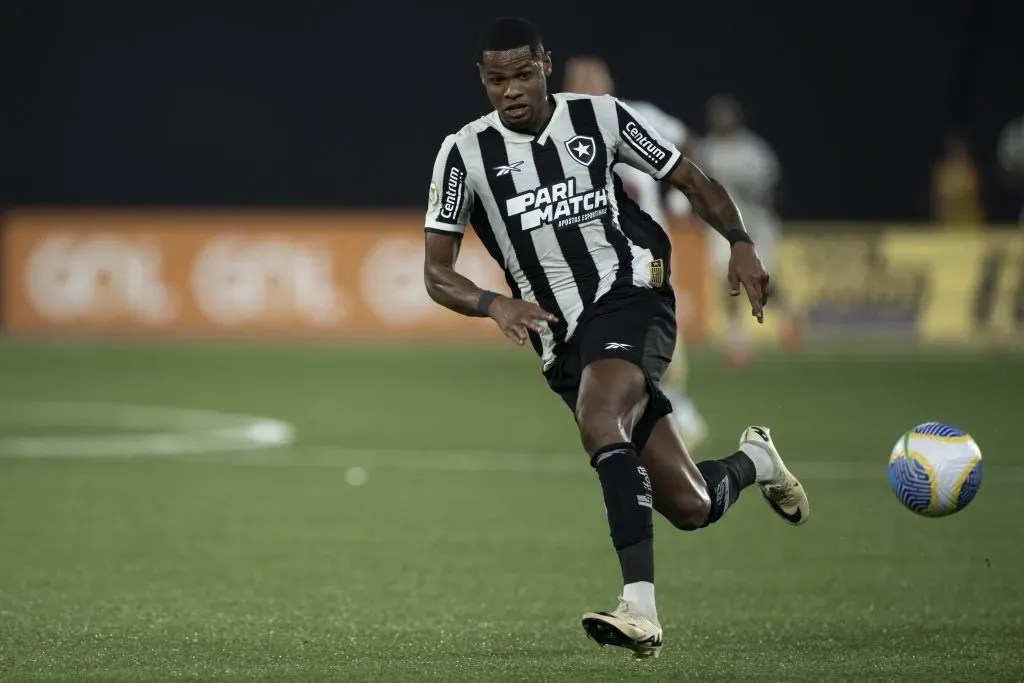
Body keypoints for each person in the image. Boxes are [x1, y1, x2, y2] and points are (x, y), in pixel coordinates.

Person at [422, 17, 809, 659]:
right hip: (561, 337)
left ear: (546, 65)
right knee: (690, 505)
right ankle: (759, 462)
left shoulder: (598, 118)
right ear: (482, 81)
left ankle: (640, 610)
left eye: (522, 74)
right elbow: (436, 272)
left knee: (599, 416)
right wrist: (494, 304)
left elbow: (688, 176)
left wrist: (740, 241)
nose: (511, 90)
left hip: (632, 293)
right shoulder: (462, 154)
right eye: (497, 80)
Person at [560, 54, 707, 451]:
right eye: (580, 78)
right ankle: (659, 419)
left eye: (594, 76)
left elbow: (688, 142)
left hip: (644, 254)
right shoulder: (558, 128)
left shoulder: (635, 114)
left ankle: (673, 417)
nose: (588, 84)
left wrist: (680, 200)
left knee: (648, 335)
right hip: (594, 261)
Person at [668, 94, 802, 365]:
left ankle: (789, 315)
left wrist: (769, 210)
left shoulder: (754, 150)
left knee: (763, 279)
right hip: (725, 227)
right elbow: (694, 184)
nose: (723, 122)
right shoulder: (707, 150)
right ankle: (737, 342)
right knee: (727, 281)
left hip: (757, 224)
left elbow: (775, 188)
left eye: (727, 116)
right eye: (718, 116)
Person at [931, 131, 984, 229]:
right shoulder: (941, 170)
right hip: (946, 227)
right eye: (953, 149)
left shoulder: (970, 170)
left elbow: (972, 194)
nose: (956, 152)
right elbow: (939, 198)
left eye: (959, 149)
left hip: (969, 227)